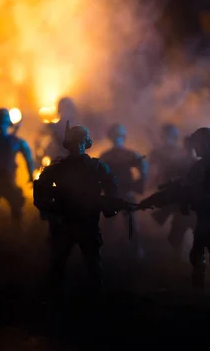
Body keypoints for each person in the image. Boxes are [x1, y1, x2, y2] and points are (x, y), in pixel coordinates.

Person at [139, 128, 210, 302]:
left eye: (197, 143)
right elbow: (181, 189)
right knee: (197, 258)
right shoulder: (197, 168)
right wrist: (152, 200)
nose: (194, 146)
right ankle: (200, 296)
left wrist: (196, 197)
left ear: (206, 144)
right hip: (203, 220)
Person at [33, 122, 120, 300]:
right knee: (58, 263)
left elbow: (112, 189)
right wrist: (51, 208)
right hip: (67, 222)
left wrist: (108, 206)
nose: (77, 146)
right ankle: (54, 299)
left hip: (88, 222)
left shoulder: (96, 167)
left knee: (93, 265)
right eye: (74, 143)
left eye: (80, 142)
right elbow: (40, 190)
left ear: (85, 144)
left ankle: (95, 299)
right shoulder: (59, 168)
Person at [99, 124, 148, 257]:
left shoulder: (129, 154)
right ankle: (102, 253)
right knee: (107, 227)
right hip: (112, 195)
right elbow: (98, 174)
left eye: (119, 136)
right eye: (115, 136)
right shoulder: (106, 156)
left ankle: (137, 250)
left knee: (131, 225)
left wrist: (137, 183)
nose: (117, 139)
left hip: (125, 193)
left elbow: (143, 168)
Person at [148, 123, 192, 258]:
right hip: (164, 186)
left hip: (178, 188)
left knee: (180, 221)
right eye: (166, 135)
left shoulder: (181, 152)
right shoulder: (156, 152)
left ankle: (179, 251)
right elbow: (152, 170)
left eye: (170, 135)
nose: (168, 138)